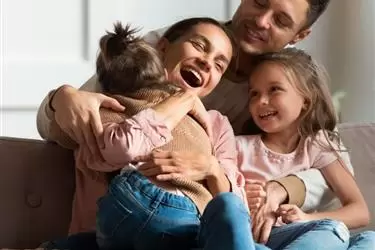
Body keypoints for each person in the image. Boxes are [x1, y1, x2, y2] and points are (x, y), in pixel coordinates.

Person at [37, 0, 355, 245]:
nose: (261, 20)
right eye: (259, 1)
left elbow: (330, 163)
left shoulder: (287, 81)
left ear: (299, 35)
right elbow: (62, 126)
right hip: (129, 203)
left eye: (281, 19)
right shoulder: (164, 48)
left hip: (210, 215)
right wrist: (60, 99)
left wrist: (281, 188)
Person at [236, 47, 375, 249]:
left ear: (306, 100)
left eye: (274, 89)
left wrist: (306, 218)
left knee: (369, 240)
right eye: (254, 94)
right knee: (330, 231)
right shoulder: (239, 146)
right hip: (263, 241)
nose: (261, 101)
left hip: (308, 233)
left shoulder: (318, 145)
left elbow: (359, 211)